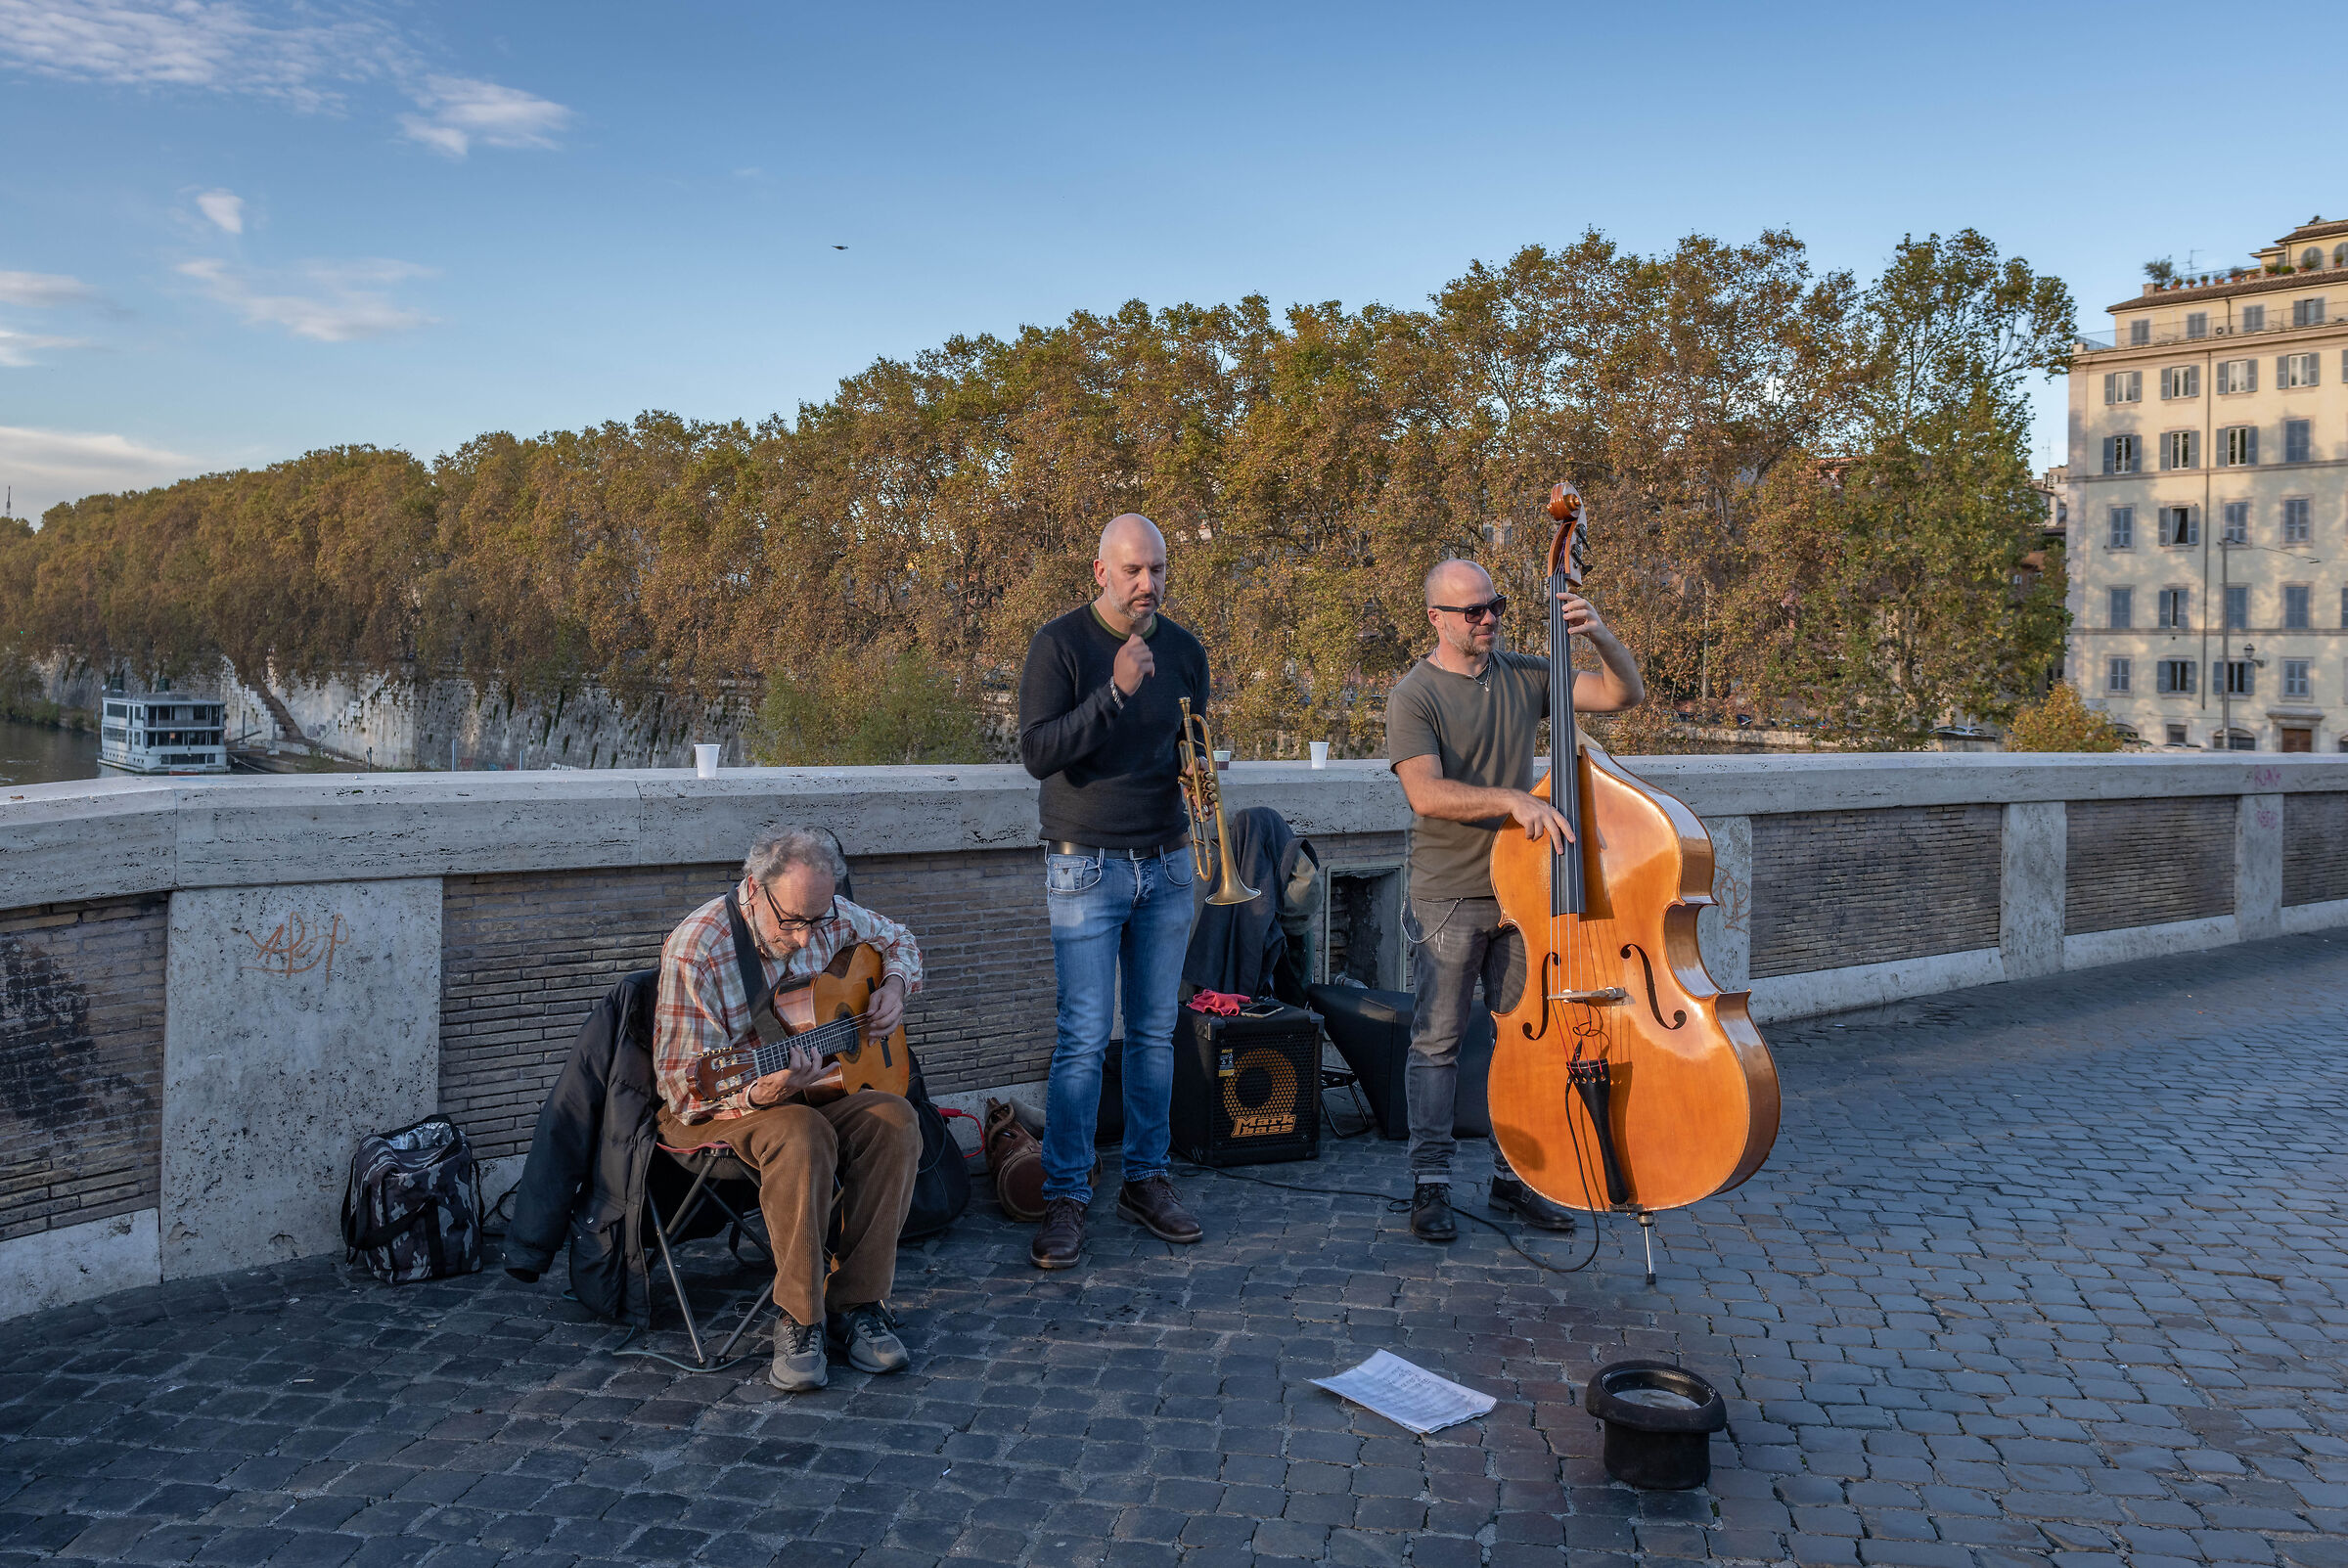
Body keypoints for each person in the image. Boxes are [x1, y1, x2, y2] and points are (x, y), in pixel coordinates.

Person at [1385, 558, 1646, 1242]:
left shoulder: (1525, 673)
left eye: (1495, 605)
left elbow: (1624, 694)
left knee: (1527, 1043)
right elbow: (1425, 794)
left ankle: (1518, 1178)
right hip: (1452, 891)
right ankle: (1430, 1184)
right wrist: (1512, 799)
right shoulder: (1414, 694)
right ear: (1436, 618)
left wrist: (1601, 635)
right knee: (1438, 1043)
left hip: (1527, 893)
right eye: (1472, 610)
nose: (1489, 618)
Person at [652, 828, 925, 1392]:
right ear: (755, 889)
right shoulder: (697, 947)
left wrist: (894, 986)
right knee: (801, 1132)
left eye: (816, 922)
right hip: (718, 1106)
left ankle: (858, 1304)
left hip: (808, 1091)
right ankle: (800, 1318)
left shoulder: (829, 914)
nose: (804, 939)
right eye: (793, 921)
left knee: (896, 1120)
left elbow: (900, 940)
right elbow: (682, 1086)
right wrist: (762, 1091)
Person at [1016, 513, 1210, 1270]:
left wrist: (1198, 772)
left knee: (1156, 1036)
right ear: (1101, 571)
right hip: (1086, 865)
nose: (1147, 583)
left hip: (1166, 861)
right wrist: (1116, 693)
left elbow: (1191, 741)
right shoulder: (1060, 644)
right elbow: (1039, 751)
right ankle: (1066, 1194)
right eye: (1133, 570)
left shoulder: (1186, 650)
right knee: (1084, 1038)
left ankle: (1146, 1179)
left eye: (1157, 568)